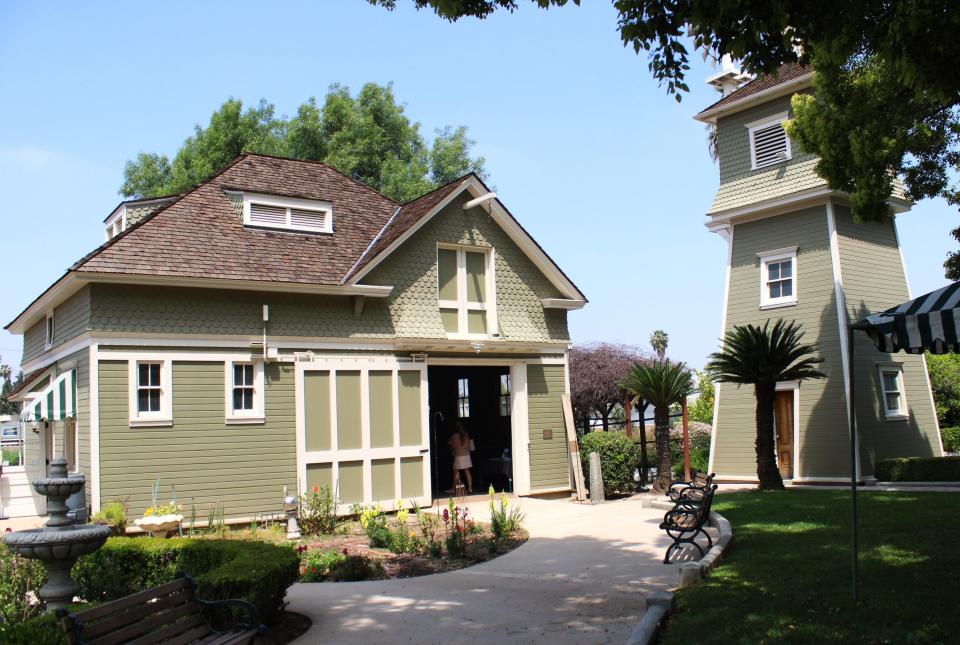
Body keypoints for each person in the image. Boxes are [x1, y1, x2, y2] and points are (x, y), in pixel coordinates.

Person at [446, 421, 474, 494]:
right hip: (466, 455)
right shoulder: (466, 435)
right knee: (467, 471)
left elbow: (449, 443)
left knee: (456, 472)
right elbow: (467, 446)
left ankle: (453, 489)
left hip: (458, 456)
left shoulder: (454, 436)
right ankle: (470, 488)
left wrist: (454, 446)